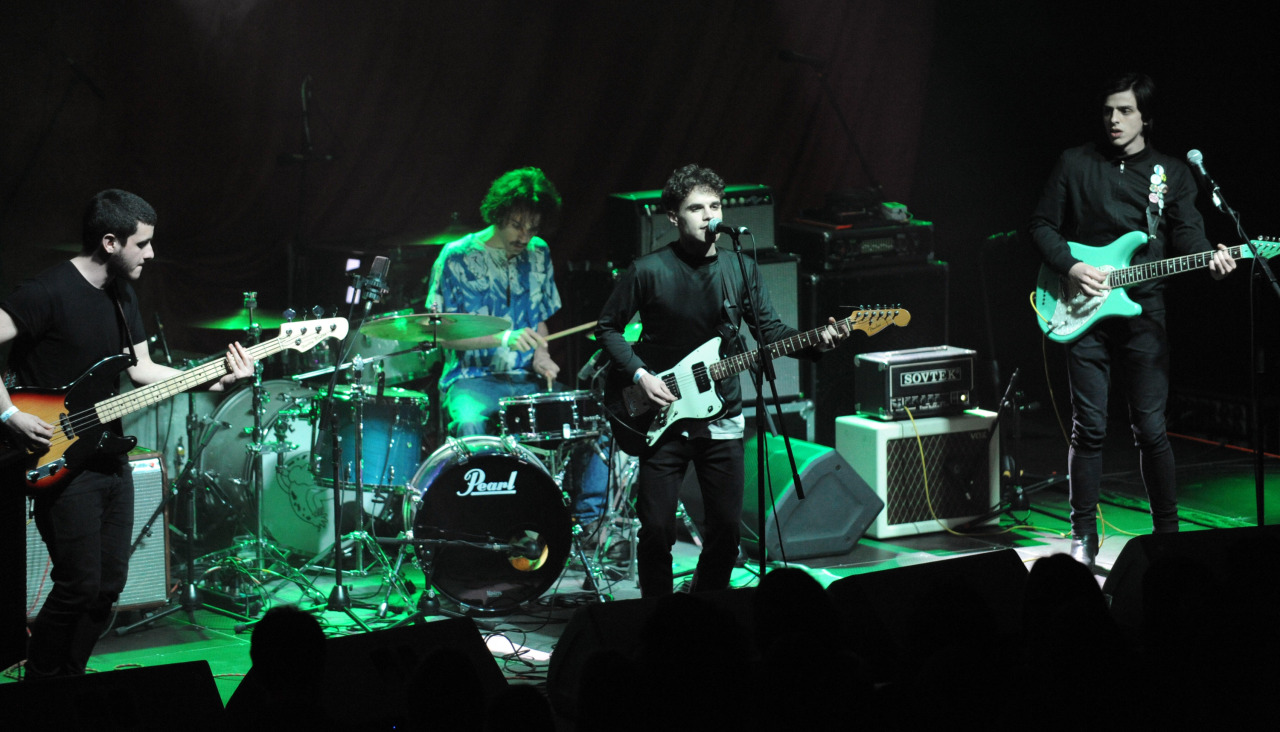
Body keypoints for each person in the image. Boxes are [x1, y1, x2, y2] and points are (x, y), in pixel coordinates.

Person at [0, 189, 254, 678]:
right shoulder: (47, 291)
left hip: (108, 456)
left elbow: (141, 370)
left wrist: (217, 378)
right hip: (60, 460)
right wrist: (9, 414)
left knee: (108, 586)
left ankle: (69, 678)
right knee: (78, 585)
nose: (151, 253)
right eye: (143, 243)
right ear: (110, 242)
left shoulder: (122, 295)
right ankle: (41, 685)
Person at [594, 164, 848, 597]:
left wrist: (818, 343)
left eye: (715, 205)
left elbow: (770, 332)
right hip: (662, 415)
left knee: (727, 533)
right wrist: (641, 374)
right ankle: (658, 617)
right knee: (656, 530)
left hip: (721, 414)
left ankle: (706, 611)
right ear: (674, 217)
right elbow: (608, 328)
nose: (709, 215)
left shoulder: (739, 268)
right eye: (696, 208)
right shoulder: (647, 270)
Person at [1028, 73, 1236, 566]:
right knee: (1089, 428)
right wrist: (1072, 267)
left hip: (1145, 311)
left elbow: (1187, 233)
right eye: (1108, 111)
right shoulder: (1075, 162)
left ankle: (1169, 538)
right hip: (1082, 308)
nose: (1114, 120)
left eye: (1125, 111)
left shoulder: (1172, 172)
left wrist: (1211, 257)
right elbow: (1041, 224)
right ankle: (1082, 537)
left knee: (1151, 429)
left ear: (1146, 117)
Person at [426, 167, 607, 530]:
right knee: (471, 423)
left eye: (533, 227)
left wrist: (542, 355)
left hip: (524, 381)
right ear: (498, 215)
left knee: (593, 421)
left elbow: (539, 319)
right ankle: (482, 526)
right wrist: (502, 338)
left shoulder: (539, 253)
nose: (525, 236)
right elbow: (442, 335)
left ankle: (586, 525)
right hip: (470, 379)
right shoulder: (455, 256)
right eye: (516, 225)